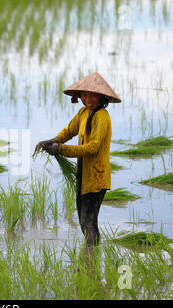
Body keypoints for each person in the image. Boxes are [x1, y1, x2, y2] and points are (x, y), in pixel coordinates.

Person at [34, 72, 121, 246]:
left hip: (96, 177)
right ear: (80, 97)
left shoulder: (102, 117)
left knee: (88, 222)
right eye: (86, 95)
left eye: (93, 95)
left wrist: (61, 149)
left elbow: (93, 148)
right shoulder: (83, 113)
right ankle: (91, 259)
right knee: (84, 221)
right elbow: (68, 131)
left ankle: (91, 257)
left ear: (101, 97)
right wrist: (50, 142)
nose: (89, 99)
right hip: (84, 176)